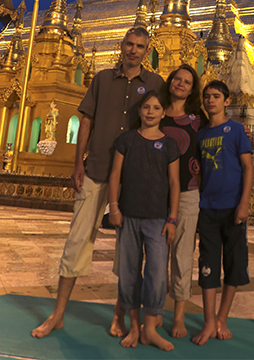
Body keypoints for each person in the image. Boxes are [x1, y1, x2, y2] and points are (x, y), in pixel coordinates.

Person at [31, 26, 164, 339]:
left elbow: (164, 125)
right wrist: (79, 162)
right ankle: (58, 314)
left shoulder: (155, 83)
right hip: (97, 169)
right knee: (77, 241)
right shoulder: (102, 79)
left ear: (147, 51)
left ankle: (118, 316)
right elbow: (86, 121)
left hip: (132, 179)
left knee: (128, 252)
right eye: (129, 44)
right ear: (121, 46)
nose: (133, 50)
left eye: (140, 46)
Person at [108, 90, 180, 351]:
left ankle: (150, 328)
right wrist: (114, 207)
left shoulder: (170, 144)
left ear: (163, 113)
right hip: (128, 215)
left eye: (156, 108)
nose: (150, 111)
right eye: (146, 107)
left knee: (157, 272)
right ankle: (135, 326)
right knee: (128, 272)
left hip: (158, 219)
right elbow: (116, 174)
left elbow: (174, 183)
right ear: (139, 111)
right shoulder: (126, 139)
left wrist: (172, 218)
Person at [192, 80, 253, 346]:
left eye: (216, 96)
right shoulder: (202, 135)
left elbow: (248, 168)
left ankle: (222, 318)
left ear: (226, 101)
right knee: (207, 266)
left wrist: (244, 202)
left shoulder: (236, 130)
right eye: (206, 96)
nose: (210, 101)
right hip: (207, 208)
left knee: (234, 265)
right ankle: (208, 322)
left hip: (233, 207)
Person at [161, 64, 203, 338]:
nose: (180, 84)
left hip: (188, 192)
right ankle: (152, 311)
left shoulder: (198, 120)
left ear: (192, 89)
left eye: (187, 82)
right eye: (177, 79)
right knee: (154, 257)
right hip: (156, 193)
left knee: (182, 255)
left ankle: (178, 316)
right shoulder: (154, 113)